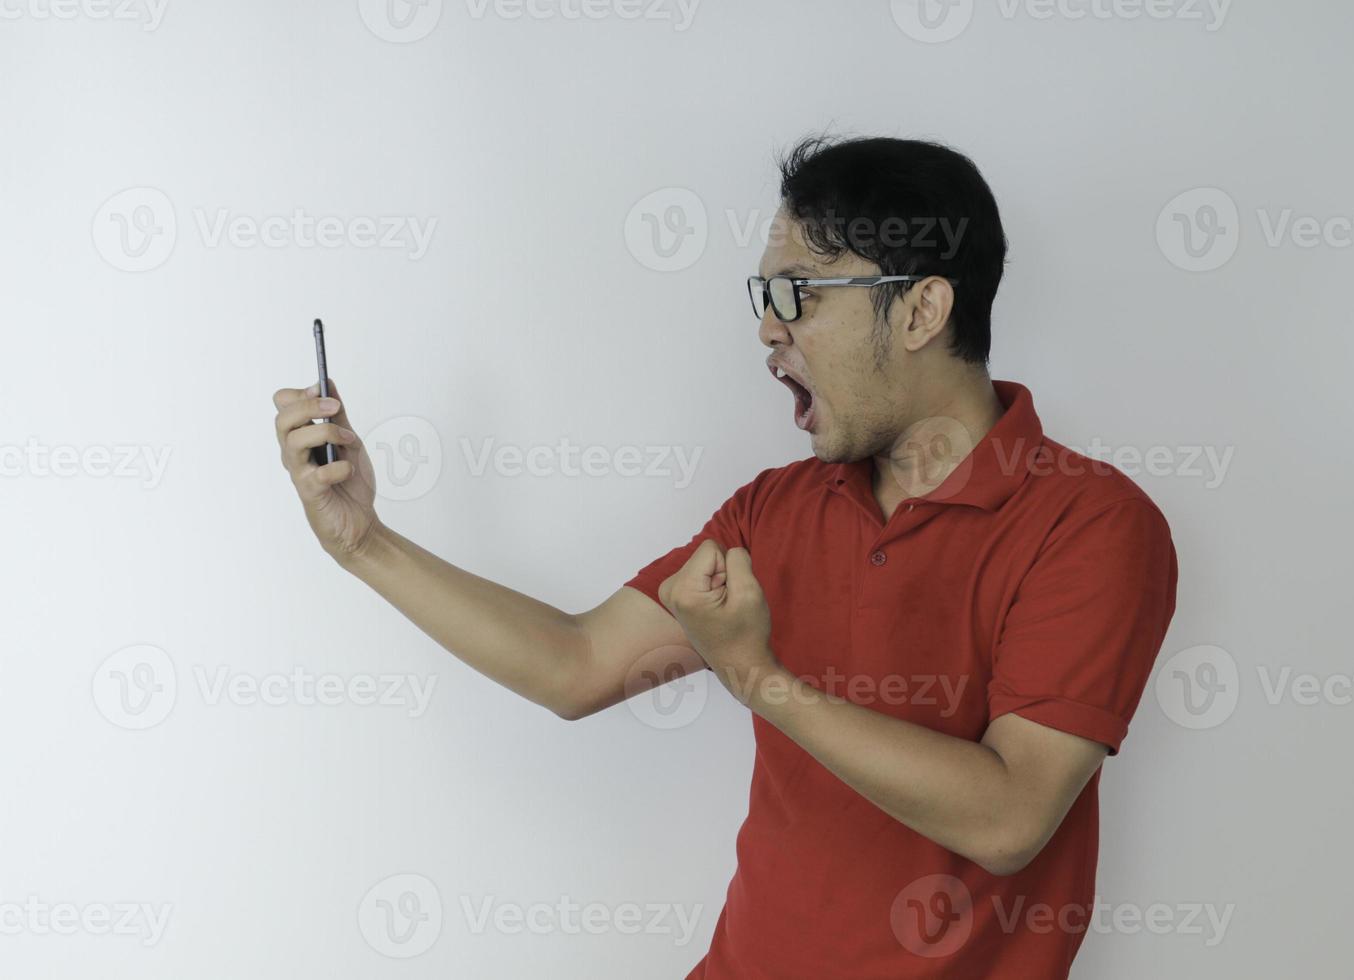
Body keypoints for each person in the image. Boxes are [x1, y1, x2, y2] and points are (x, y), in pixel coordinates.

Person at [272, 134, 1179, 978]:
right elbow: (578, 665)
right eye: (762, 299)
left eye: (798, 296)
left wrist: (759, 678)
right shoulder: (776, 511)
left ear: (921, 308)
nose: (766, 332)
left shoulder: (1091, 525)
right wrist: (365, 545)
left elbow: (1010, 816)